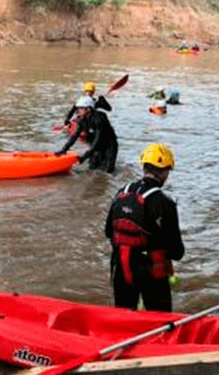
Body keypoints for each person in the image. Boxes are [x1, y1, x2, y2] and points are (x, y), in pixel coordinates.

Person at [105, 143, 184, 312]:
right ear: (165, 171)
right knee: (160, 323)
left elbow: (108, 232)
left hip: (120, 267)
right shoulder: (165, 202)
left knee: (123, 316)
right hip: (151, 272)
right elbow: (177, 252)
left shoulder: (121, 192)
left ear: (144, 168)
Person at [55, 96, 118, 173]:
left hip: (109, 145)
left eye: (81, 108)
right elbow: (74, 136)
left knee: (107, 171)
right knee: (92, 168)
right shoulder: (82, 120)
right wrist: (63, 150)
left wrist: (85, 156)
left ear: (88, 109)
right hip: (95, 146)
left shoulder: (99, 118)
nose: (78, 111)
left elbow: (98, 138)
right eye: (78, 108)